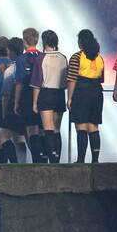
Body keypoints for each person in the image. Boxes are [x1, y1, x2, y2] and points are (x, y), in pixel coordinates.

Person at [29, 30, 68, 163]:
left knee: (48, 129)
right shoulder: (63, 57)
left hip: (46, 94)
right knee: (57, 129)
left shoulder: (41, 58)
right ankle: (57, 159)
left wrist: (34, 102)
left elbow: (36, 83)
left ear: (44, 42)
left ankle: (51, 159)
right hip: (60, 94)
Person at [67, 30, 105, 163]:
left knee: (81, 126)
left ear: (82, 41)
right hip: (96, 92)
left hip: (81, 92)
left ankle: (81, 160)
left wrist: (70, 98)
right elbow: (101, 78)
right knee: (93, 127)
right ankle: (95, 160)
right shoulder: (99, 58)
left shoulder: (77, 57)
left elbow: (72, 79)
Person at [13, 29, 47, 162]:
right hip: (43, 96)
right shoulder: (43, 56)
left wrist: (16, 102)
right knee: (43, 129)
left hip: (27, 96)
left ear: (24, 41)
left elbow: (19, 82)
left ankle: (36, 160)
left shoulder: (21, 59)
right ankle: (46, 157)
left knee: (32, 130)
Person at [0, 37, 27, 164]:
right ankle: (25, 163)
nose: (8, 53)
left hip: (13, 106)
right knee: (20, 136)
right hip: (27, 106)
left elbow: (5, 95)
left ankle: (16, 164)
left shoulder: (11, 70)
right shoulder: (28, 65)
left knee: (2, 136)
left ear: (13, 52)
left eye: (9, 51)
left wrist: (4, 113)